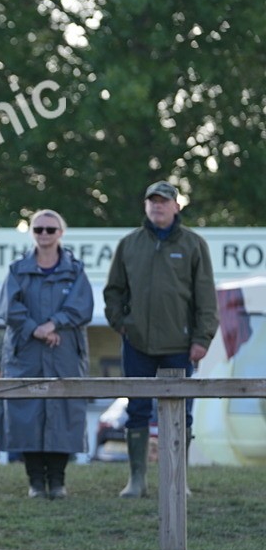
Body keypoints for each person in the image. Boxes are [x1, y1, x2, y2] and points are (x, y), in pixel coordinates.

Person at [103, 181, 217, 498]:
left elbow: (206, 298)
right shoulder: (129, 244)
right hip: (137, 343)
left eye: (164, 201)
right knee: (137, 409)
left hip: (180, 346)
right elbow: (113, 291)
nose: (157, 206)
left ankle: (178, 481)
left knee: (180, 412)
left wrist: (202, 339)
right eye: (152, 201)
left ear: (176, 206)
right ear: (145, 206)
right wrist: (122, 324)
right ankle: (136, 480)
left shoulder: (194, 244)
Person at [0, 209, 93, 499]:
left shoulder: (75, 270)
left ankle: (58, 481)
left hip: (64, 354)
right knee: (27, 414)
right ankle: (35, 482)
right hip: (26, 354)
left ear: (60, 233)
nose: (44, 234)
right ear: (32, 233)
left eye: (50, 229)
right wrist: (35, 329)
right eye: (38, 229)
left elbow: (82, 307)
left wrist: (54, 324)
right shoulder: (18, 269)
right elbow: (8, 308)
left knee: (64, 413)